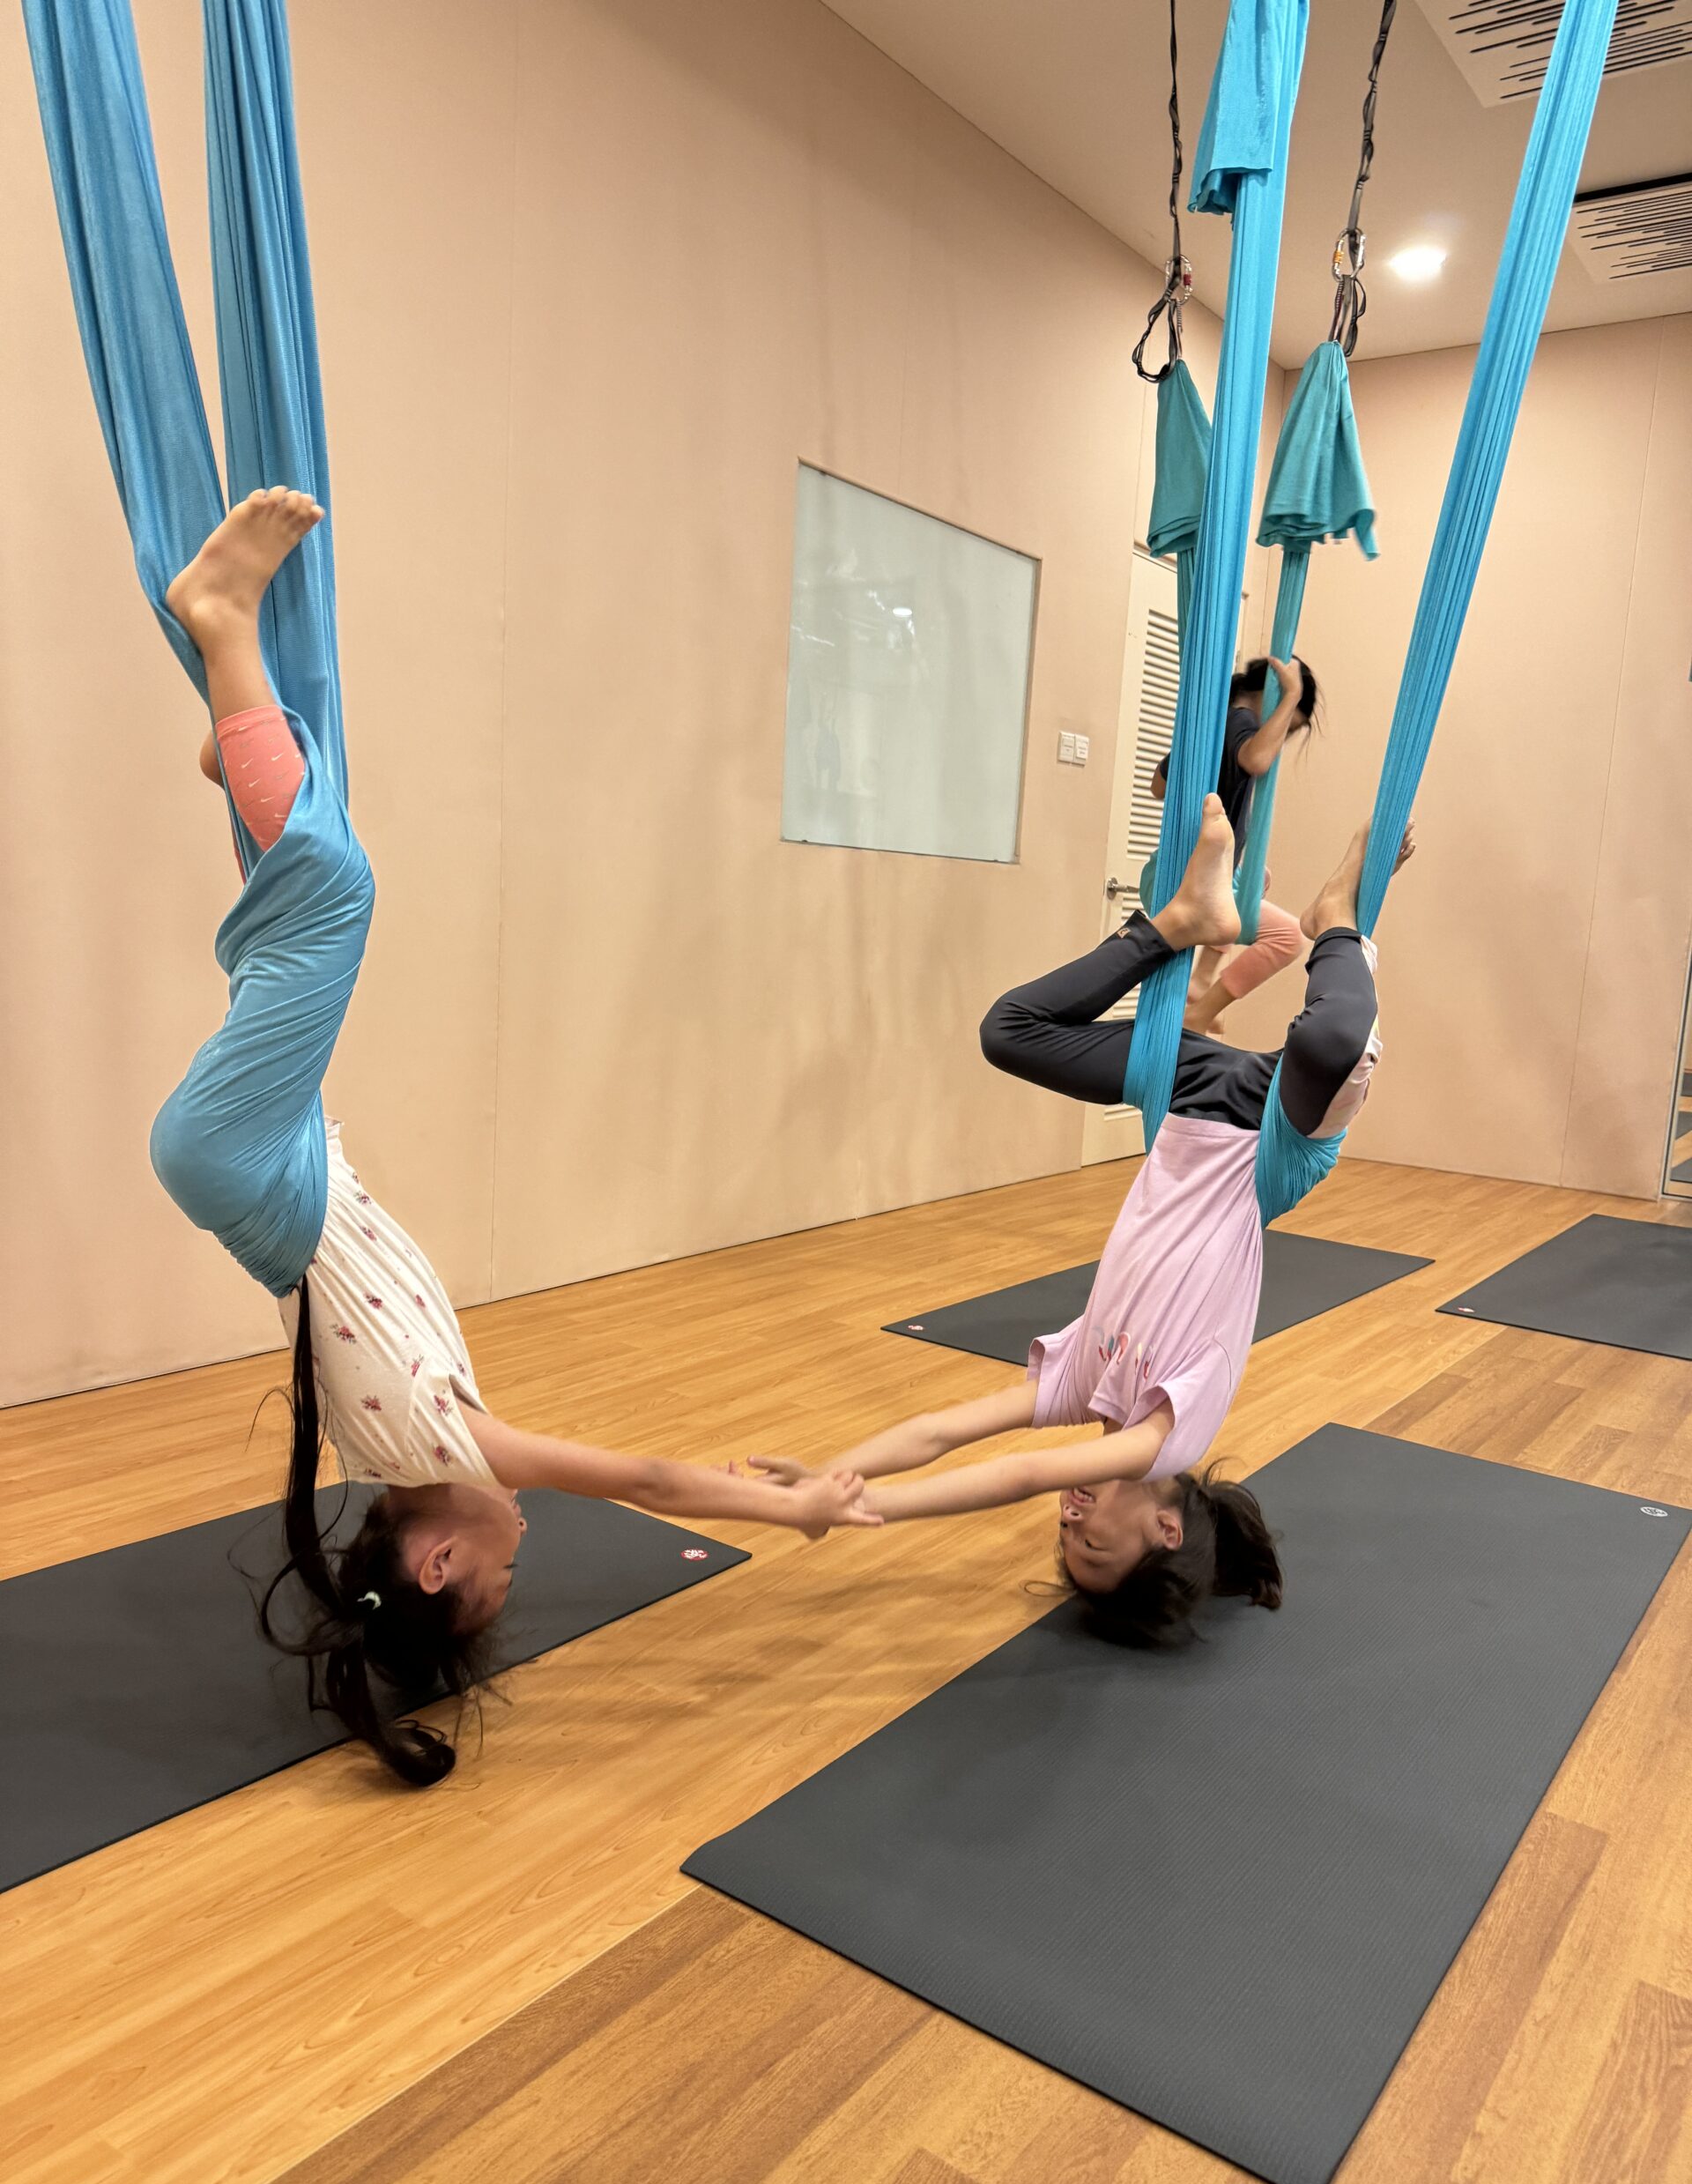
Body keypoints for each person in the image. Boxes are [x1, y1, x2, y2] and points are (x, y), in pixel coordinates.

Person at [155, 489, 873, 1783]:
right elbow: (657, 1469)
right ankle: (240, 743)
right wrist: (745, 1473)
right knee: (305, 886)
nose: (519, 1544)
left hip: (256, 1167)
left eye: (496, 1578)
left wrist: (796, 1508)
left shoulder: (440, 1451)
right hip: (266, 1166)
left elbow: (642, 1477)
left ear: (438, 1560)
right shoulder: (397, 1447)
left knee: (332, 893)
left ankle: (216, 619)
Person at [742, 796, 1413, 1649]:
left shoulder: (1078, 1387)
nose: (1071, 1517)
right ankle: (1338, 925)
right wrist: (847, 1512)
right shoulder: (1166, 1439)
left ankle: (1176, 923)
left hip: (1189, 1102)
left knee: (1011, 1030)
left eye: (1064, 1537)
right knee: (1336, 1039)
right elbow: (1018, 1475)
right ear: (1165, 1530)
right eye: (1092, 1539)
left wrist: (837, 1477)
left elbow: (944, 1429)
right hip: (1272, 1149)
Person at [1152, 653, 1319, 1036]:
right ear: (1271, 696)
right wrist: (1292, 694)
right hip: (1195, 883)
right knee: (1288, 937)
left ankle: (1203, 982)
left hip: (1174, 870)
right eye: (1286, 727)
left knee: (1257, 878)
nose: (1281, 738)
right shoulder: (1241, 720)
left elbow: (1157, 786)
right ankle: (1201, 1006)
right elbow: (1258, 758)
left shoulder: (1210, 727)